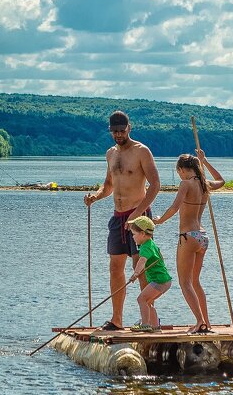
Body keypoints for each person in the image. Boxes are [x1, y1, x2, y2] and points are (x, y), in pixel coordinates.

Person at [83, 110, 160, 331]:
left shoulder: (141, 151)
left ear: (129, 128)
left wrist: (138, 213)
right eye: (114, 131)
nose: (118, 135)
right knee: (115, 268)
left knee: (141, 267)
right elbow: (108, 185)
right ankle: (117, 320)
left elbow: (155, 185)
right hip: (118, 218)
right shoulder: (110, 154)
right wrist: (95, 197)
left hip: (139, 217)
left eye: (121, 131)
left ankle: (149, 321)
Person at [153, 150, 224, 334]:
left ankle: (200, 322)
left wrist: (159, 220)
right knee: (195, 282)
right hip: (203, 237)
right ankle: (206, 323)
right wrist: (205, 161)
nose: (179, 176)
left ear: (183, 170)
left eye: (178, 172)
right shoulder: (204, 183)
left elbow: (174, 207)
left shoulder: (186, 184)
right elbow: (221, 180)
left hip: (189, 236)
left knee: (185, 283)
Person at [125, 215, 171, 332]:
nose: (133, 237)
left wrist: (135, 274)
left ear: (143, 234)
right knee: (148, 302)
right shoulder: (151, 244)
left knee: (141, 299)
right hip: (164, 280)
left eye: (134, 234)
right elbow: (160, 257)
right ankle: (155, 327)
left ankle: (145, 325)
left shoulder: (145, 247)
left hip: (159, 280)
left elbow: (142, 261)